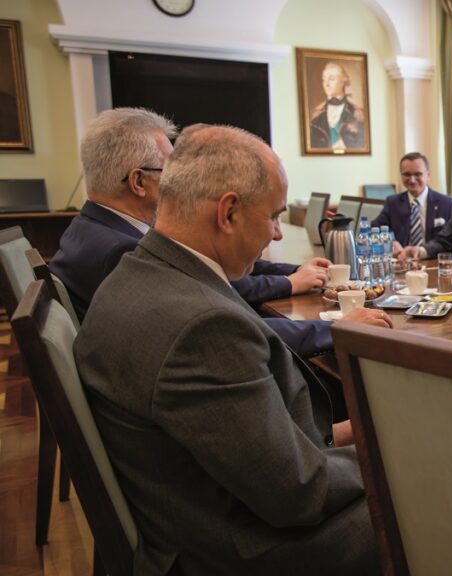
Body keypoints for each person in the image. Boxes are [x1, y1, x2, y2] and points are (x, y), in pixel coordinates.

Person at [75, 124, 388, 574]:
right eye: (274, 216)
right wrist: (391, 453)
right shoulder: (202, 328)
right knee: (432, 492)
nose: (278, 234)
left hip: (203, 507)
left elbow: (247, 440)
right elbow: (300, 493)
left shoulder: (137, 272)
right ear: (228, 213)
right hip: (241, 549)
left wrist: (356, 430)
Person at [49, 108, 332, 357]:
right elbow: (222, 322)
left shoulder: (90, 229)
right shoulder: (121, 251)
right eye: (170, 171)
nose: (180, 182)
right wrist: (334, 325)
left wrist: (293, 273)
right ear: (138, 181)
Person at [370, 152, 452, 251]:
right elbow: (374, 230)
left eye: (418, 174)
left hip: (433, 261)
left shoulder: (448, 204)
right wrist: (390, 242)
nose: (412, 180)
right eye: (407, 174)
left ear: (428, 175)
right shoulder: (392, 203)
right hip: (403, 262)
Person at [309, 61, 365, 150]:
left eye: (331, 79)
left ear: (343, 82)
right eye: (324, 79)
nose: (326, 84)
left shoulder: (357, 112)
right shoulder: (316, 113)